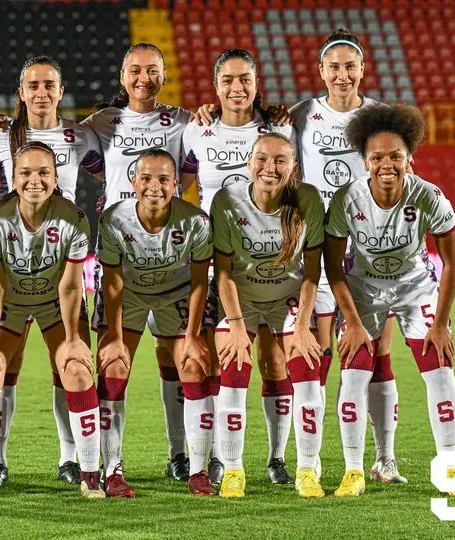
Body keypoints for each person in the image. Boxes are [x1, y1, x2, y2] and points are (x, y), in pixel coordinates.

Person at [0, 56, 104, 488]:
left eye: (49, 85)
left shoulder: (80, 135)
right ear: (21, 92)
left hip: (61, 262)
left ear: (61, 90)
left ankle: (71, 458)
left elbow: (110, 174)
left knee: (66, 364)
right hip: (11, 265)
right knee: (1, 367)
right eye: (33, 85)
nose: (41, 92)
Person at [325, 103, 455, 496]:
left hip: (415, 285)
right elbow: (334, 267)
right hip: (363, 288)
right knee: (355, 366)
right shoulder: (347, 200)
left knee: (439, 365)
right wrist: (350, 322)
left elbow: (452, 262)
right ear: (364, 162)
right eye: (377, 157)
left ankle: (450, 467)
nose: (387, 164)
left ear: (409, 159)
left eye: (396, 156)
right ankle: (356, 470)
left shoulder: (430, 196)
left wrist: (439, 325)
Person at [291, 29, 403, 483]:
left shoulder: (381, 117)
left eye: (349, 66)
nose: (341, 74)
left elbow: (399, 175)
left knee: (377, 354)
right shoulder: (301, 115)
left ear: (362, 69)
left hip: (371, 250)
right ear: (321, 72)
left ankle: (384, 458)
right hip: (318, 246)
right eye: (333, 67)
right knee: (318, 353)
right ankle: (312, 457)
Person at [180, 48, 294, 485]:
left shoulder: (280, 128)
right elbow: (180, 183)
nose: (237, 87)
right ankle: (214, 458)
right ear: (215, 86)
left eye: (245, 79)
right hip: (214, 265)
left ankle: (277, 458)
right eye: (227, 80)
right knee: (214, 362)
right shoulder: (197, 131)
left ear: (256, 82)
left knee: (274, 361)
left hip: (269, 265)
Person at [83, 43, 195, 481]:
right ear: (121, 76)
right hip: (118, 259)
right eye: (135, 70)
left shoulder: (186, 121)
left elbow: (190, 170)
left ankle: (179, 454)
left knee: (176, 358)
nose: (143, 78)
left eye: (152, 70)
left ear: (164, 76)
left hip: (173, 259)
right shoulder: (101, 123)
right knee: (114, 358)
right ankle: (110, 462)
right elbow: (79, 156)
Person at [211, 133, 325, 498]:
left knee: (306, 366)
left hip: (286, 299)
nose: (269, 168)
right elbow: (223, 273)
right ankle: (233, 470)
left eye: (280, 161)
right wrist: (237, 327)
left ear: (293, 167)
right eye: (261, 159)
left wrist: (305, 326)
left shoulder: (307, 199)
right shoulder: (227, 200)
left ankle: (306, 468)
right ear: (249, 163)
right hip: (239, 300)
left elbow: (312, 272)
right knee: (234, 364)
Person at [94, 148, 214, 497]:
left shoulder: (195, 221)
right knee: (114, 366)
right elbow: (112, 281)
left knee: (193, 364)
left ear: (176, 183)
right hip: (128, 292)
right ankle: (112, 469)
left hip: (175, 292)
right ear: (133, 181)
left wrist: (192, 335)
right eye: (146, 178)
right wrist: (114, 337)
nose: (154, 187)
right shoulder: (114, 219)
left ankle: (197, 469)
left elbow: (199, 281)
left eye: (163, 179)